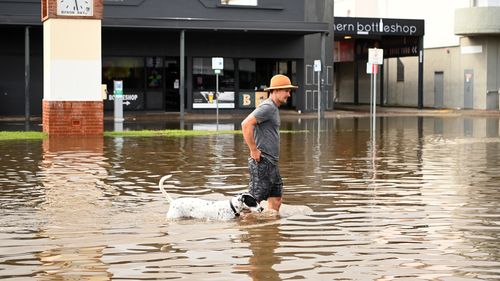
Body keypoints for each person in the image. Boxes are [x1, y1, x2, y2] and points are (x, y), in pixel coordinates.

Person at [241, 74, 298, 212]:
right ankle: (243, 229)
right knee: (252, 204)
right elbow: (246, 124)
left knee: (276, 200)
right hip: (263, 162)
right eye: (286, 91)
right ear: (276, 90)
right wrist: (253, 150)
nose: (288, 95)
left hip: (272, 163)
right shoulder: (268, 107)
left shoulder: (273, 107)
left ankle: (271, 231)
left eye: (289, 91)